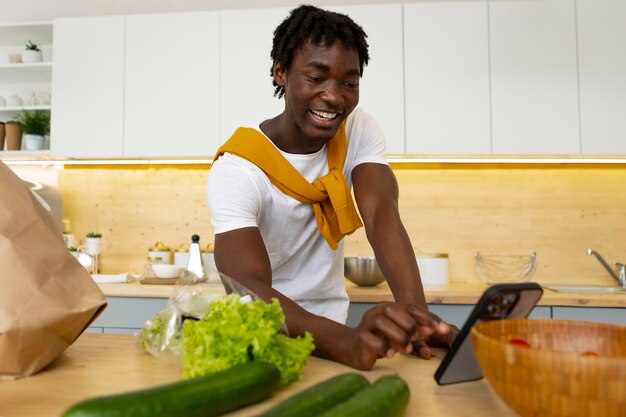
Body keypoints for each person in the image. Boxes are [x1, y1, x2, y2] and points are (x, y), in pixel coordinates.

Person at [208, 4, 457, 370]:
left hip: (333, 337)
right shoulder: (239, 168)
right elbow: (245, 283)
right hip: (263, 343)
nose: (334, 96)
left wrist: (418, 316)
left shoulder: (357, 129)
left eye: (349, 82)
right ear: (280, 72)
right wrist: (347, 342)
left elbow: (381, 214)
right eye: (316, 77)